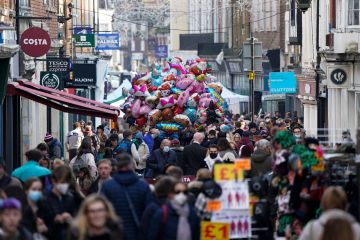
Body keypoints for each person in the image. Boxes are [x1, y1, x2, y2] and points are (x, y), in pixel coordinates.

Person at [101, 153, 153, 240]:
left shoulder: (107, 186)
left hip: (115, 233)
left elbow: (102, 210)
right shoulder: (143, 186)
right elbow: (149, 212)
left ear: (116, 167)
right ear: (132, 165)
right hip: (138, 232)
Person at [44, 165, 77, 240]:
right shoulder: (45, 199)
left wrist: (70, 219)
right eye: (62, 182)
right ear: (53, 181)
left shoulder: (70, 197)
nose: (64, 185)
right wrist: (55, 221)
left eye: (66, 182)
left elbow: (76, 219)